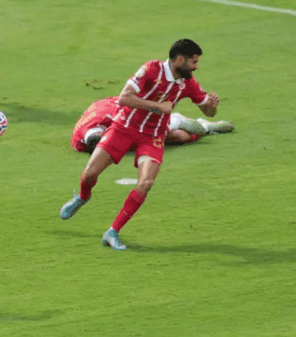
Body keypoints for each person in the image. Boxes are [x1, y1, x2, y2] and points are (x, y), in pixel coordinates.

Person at [60, 39, 221, 250]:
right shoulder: (151, 70)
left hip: (152, 136)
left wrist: (212, 106)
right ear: (180, 60)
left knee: (145, 183)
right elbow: (124, 98)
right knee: (90, 174)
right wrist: (158, 107)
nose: (196, 67)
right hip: (123, 128)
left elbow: (208, 111)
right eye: (194, 62)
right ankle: (83, 197)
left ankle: (112, 232)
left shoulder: (188, 83)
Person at [72, 97, 234, 153]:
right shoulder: (80, 142)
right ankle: (204, 127)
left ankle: (192, 123)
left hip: (129, 111)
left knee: (175, 132)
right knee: (179, 137)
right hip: (120, 125)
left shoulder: (111, 115)